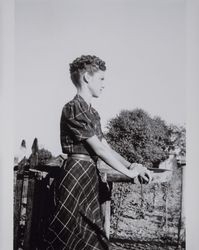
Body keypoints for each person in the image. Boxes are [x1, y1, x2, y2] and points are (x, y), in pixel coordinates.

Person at [43, 55, 152, 250]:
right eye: (101, 79)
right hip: (75, 175)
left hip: (88, 176)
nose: (104, 84)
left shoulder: (92, 113)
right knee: (66, 237)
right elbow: (99, 149)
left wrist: (132, 166)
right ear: (86, 78)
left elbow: (105, 146)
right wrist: (129, 174)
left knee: (92, 238)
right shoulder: (73, 108)